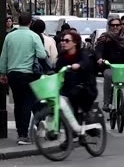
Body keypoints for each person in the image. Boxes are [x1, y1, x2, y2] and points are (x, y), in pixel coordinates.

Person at [0, 13, 47, 145]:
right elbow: (42, 54)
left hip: (13, 74)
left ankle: (19, 131)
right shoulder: (34, 36)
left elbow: (3, 57)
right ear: (30, 23)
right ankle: (23, 135)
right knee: (27, 103)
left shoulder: (9, 36)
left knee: (18, 104)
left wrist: (2, 73)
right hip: (28, 74)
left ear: (18, 22)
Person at [95, 18, 124, 112]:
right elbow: (99, 49)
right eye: (113, 25)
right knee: (108, 75)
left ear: (120, 26)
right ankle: (107, 102)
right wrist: (100, 58)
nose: (115, 27)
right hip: (109, 65)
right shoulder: (104, 37)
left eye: (117, 25)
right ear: (109, 26)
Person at [56, 31, 97, 119]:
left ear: (75, 43)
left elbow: (85, 61)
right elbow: (57, 69)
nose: (63, 42)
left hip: (84, 87)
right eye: (62, 40)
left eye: (67, 40)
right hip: (66, 87)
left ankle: (84, 115)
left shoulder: (82, 54)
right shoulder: (62, 57)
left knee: (74, 94)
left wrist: (79, 65)